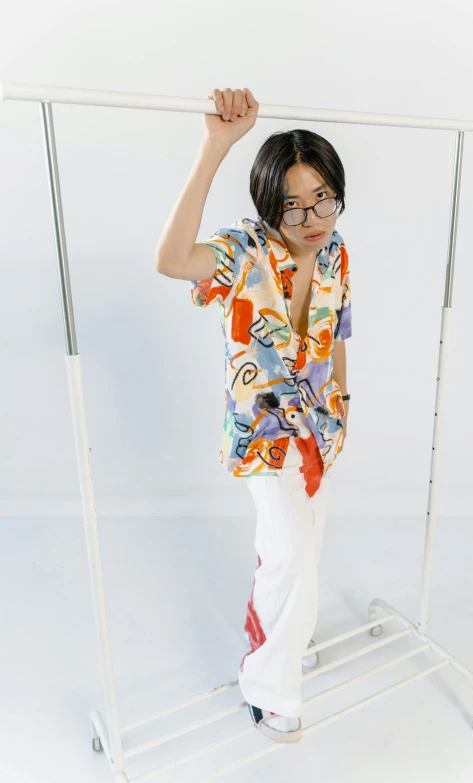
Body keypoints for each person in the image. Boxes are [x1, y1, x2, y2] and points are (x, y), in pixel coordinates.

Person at [154, 87, 352, 744]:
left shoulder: (336, 253)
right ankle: (270, 686)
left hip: (319, 432)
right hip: (262, 438)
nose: (311, 216)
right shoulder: (243, 251)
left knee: (304, 551)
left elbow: (339, 331)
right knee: (290, 553)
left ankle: (287, 634)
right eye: (293, 204)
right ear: (269, 207)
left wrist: (343, 407)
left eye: (323, 196)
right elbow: (172, 260)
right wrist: (215, 147)